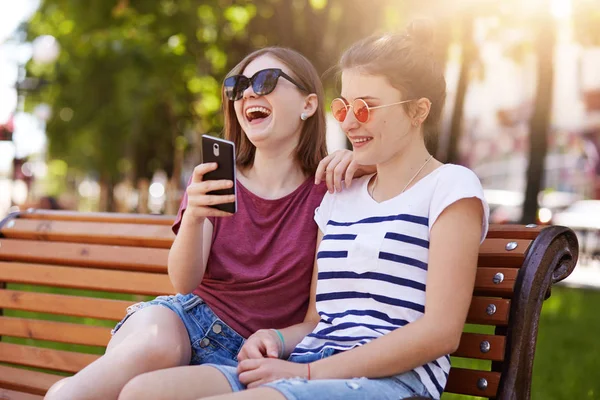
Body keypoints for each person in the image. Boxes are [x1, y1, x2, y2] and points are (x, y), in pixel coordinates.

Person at [136, 20, 489, 400]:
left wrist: (305, 371)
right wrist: (273, 338)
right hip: (310, 364)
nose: (350, 123)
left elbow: (440, 332)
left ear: (418, 111)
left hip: (392, 382)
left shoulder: (451, 187)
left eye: (366, 108)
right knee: (144, 392)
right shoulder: (338, 195)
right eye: (343, 107)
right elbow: (316, 322)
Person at [44, 46, 357, 400]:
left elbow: (316, 318)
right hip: (183, 323)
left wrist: (357, 160)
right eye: (238, 86)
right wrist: (193, 216)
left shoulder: (328, 195)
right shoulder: (215, 180)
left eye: (266, 80)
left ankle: (65, 390)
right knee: (150, 349)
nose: (249, 92)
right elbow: (183, 282)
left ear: (308, 105)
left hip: (254, 356)